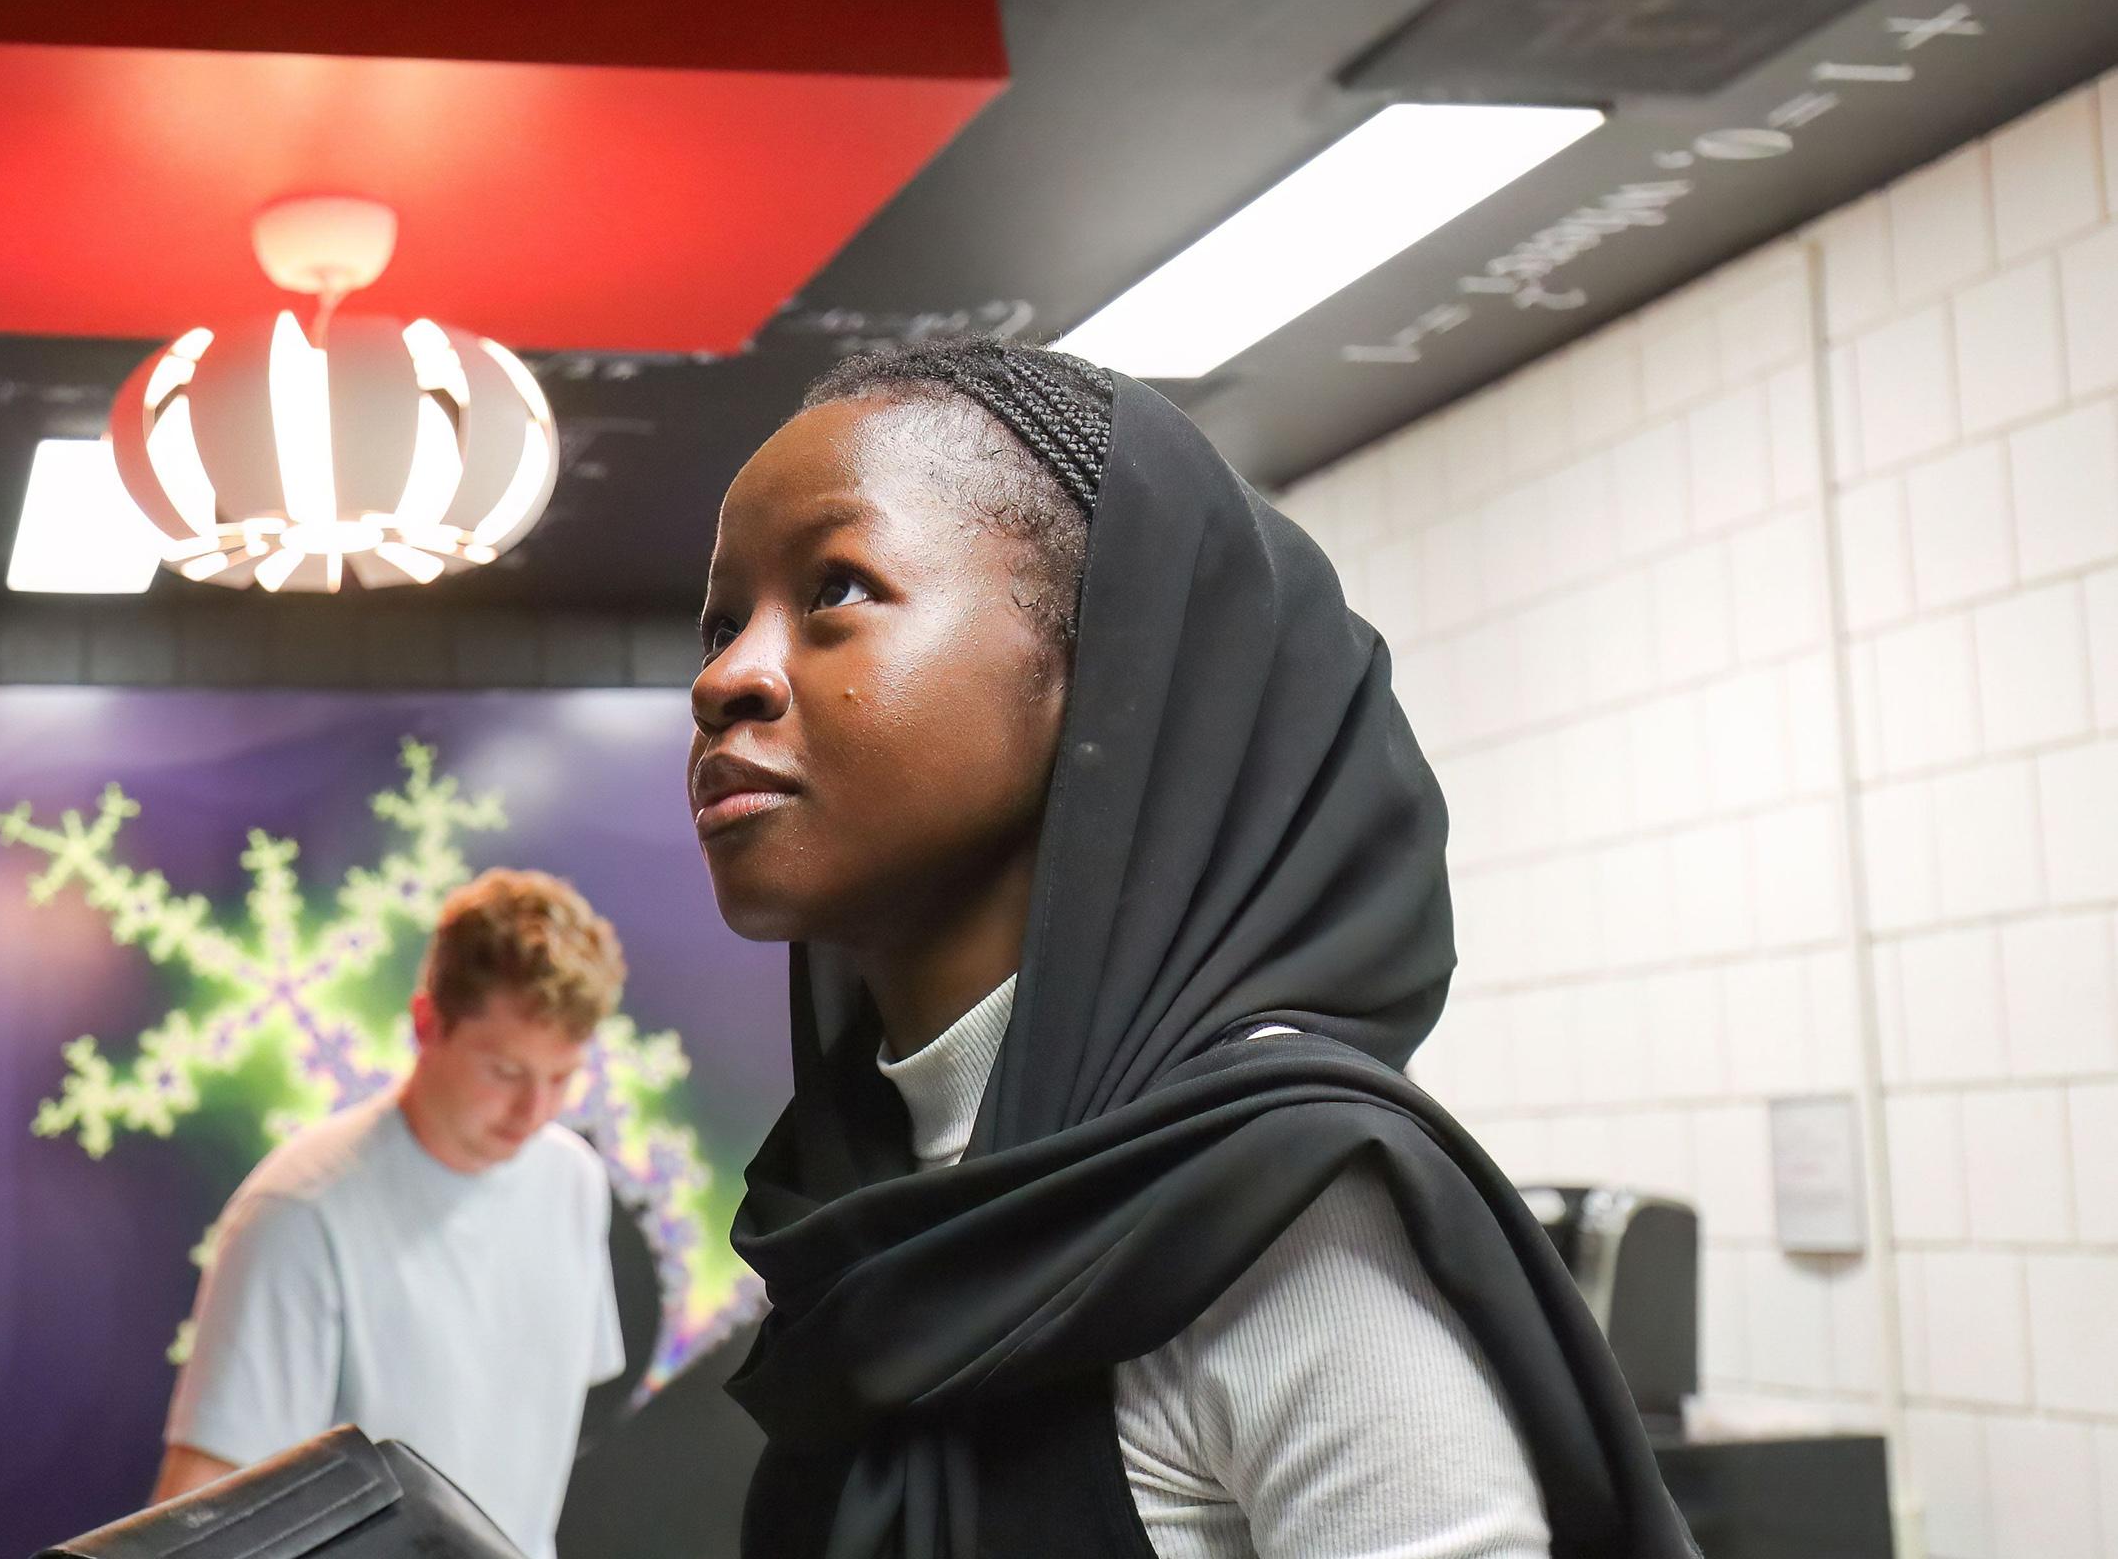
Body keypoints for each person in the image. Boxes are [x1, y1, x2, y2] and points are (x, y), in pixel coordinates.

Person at [688, 338, 1692, 1558]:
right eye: (723, 621)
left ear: (1094, 662)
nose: (725, 677)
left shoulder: (1268, 1214)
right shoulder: (866, 1208)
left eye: (835, 588)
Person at [153, 868, 631, 1559]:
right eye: (505, 1071)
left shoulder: (575, 1182)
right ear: (425, 1023)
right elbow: (200, 1508)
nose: (535, 1112)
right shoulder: (298, 1213)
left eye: (561, 1077)